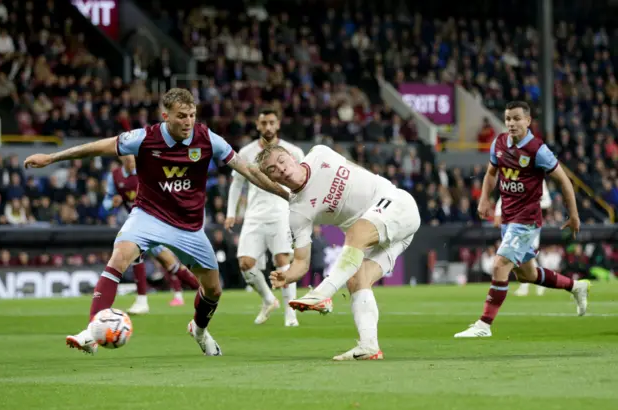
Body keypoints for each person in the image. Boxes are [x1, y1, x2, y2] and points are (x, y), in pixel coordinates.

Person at [24, 88, 289, 355]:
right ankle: (91, 331)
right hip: (149, 215)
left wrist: (284, 193)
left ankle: (198, 330)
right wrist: (51, 158)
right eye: (181, 116)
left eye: (192, 115)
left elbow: (249, 170)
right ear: (166, 116)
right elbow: (97, 147)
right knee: (119, 256)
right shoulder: (143, 138)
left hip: (190, 226)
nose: (188, 122)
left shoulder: (207, 139)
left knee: (213, 290)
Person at [253, 144, 421, 360]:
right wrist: (287, 275)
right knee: (356, 280)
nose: (281, 169)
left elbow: (353, 167)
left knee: (356, 232)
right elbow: (302, 262)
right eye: (273, 170)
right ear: (273, 180)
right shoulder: (297, 213)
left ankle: (322, 294)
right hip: (390, 236)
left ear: (292, 157)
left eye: (282, 161)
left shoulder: (319, 153)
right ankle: (369, 346)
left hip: (396, 203)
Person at [454, 101, 590, 338]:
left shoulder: (538, 150)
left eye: (516, 118)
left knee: (499, 265)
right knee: (528, 275)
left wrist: (574, 214)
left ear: (528, 121)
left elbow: (564, 181)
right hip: (508, 218)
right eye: (508, 119)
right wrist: (485, 198)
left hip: (526, 221)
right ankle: (576, 287)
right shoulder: (498, 143)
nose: (511, 123)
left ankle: (484, 325)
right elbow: (491, 173)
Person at [225, 108, 304, 327]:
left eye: (271, 122)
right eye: (264, 123)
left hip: (282, 212)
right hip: (254, 214)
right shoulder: (247, 151)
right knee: (246, 263)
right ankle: (269, 300)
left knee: (282, 261)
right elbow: (237, 184)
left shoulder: (293, 151)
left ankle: (291, 313)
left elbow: (304, 182)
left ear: (278, 124)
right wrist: (231, 213)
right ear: (258, 125)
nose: (268, 127)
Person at [102, 154, 201, 314]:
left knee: (169, 263)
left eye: (133, 157)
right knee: (144, 257)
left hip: (155, 220)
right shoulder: (114, 176)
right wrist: (111, 203)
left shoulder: (147, 171)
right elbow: (106, 202)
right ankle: (143, 300)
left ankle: (201, 289)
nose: (131, 161)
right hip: (136, 223)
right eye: (127, 158)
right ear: (122, 159)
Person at [494, 179, 552, 297]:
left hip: (531, 220)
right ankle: (533, 284)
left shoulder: (538, 178)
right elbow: (504, 197)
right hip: (515, 222)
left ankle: (531, 284)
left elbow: (547, 201)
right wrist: (497, 213)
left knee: (525, 253)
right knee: (523, 254)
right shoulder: (512, 175)